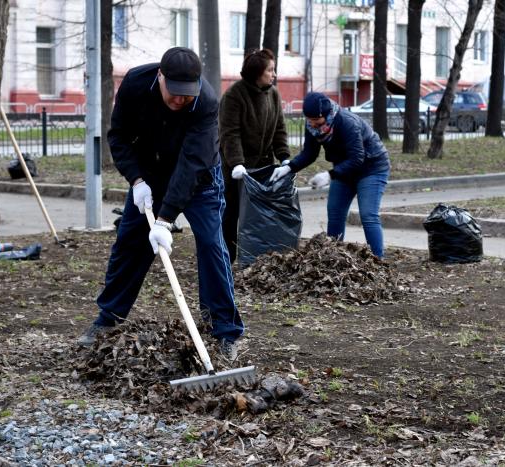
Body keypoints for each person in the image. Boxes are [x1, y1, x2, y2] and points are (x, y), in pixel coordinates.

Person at [78, 47, 244, 360]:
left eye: (187, 95)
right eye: (175, 93)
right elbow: (119, 137)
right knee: (130, 242)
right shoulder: (135, 85)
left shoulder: (206, 102)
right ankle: (108, 320)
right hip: (150, 173)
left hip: (200, 178)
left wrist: (165, 220)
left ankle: (225, 331)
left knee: (211, 244)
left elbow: (192, 162)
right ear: (160, 77)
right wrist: (137, 181)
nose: (180, 101)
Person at [269, 92, 391, 258]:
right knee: (335, 214)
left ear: (326, 115)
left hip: (371, 168)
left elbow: (357, 158)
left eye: (315, 119)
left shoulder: (346, 122)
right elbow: (310, 153)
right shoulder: (313, 125)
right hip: (344, 170)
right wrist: (289, 168)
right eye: (308, 119)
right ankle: (332, 258)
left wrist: (329, 175)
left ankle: (378, 260)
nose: (312, 123)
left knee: (368, 215)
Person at [218, 48, 291, 263]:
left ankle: (257, 258)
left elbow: (279, 128)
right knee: (231, 214)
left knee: (259, 216)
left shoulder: (273, 94)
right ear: (257, 72)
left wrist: (284, 156)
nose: (274, 74)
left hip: (263, 166)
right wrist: (236, 164)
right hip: (237, 170)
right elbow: (229, 133)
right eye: (270, 70)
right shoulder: (234, 95)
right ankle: (226, 259)